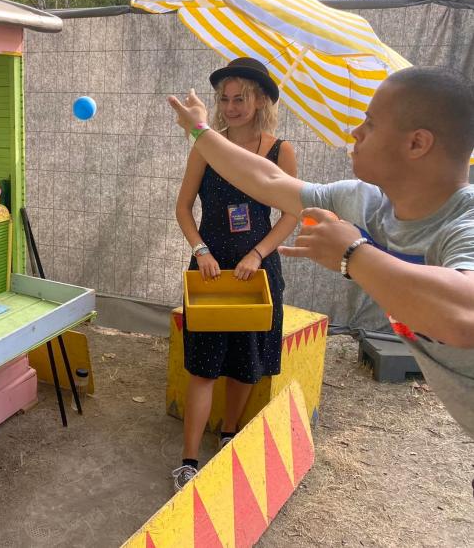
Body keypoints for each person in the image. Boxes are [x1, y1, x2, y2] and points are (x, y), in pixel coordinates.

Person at [167, 65, 474, 444]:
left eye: (371, 124)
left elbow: (464, 316)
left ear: (417, 144)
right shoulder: (364, 201)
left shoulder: (465, 221)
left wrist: (353, 255)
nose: (356, 132)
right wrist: (200, 131)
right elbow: (268, 180)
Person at [172, 57, 298, 491]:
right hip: (209, 271)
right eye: (224, 99)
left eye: (239, 98)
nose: (230, 107)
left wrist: (258, 254)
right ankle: (189, 460)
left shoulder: (281, 151)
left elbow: (291, 213)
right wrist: (201, 249)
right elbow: (183, 208)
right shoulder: (206, 144)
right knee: (203, 368)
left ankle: (228, 436)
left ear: (260, 99)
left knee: (246, 363)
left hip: (257, 273)